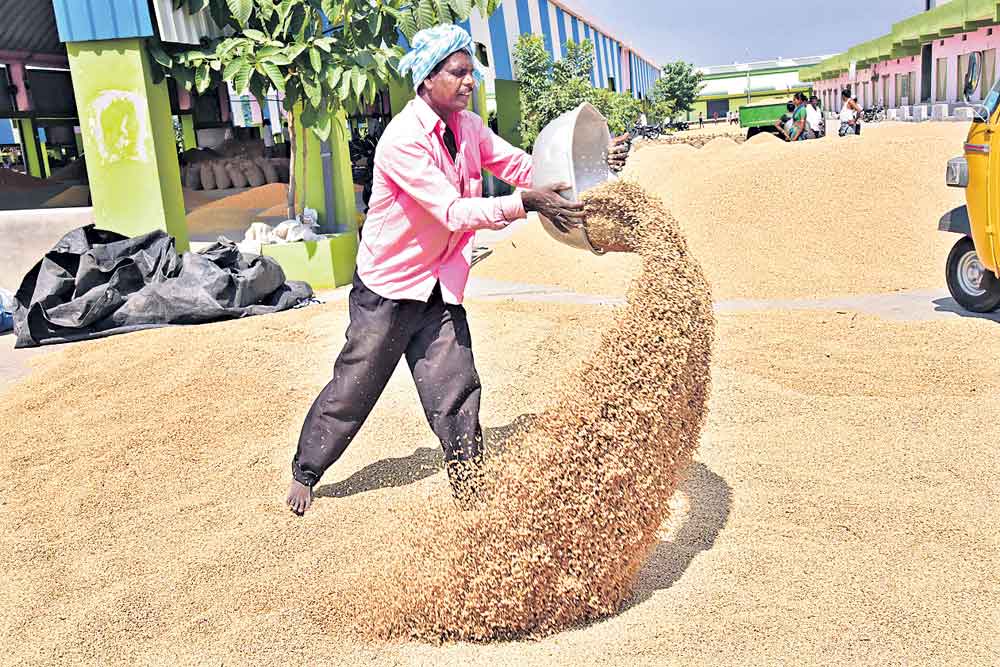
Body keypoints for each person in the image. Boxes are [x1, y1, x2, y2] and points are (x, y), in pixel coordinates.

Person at [285, 24, 631, 515]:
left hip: (437, 286)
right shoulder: (404, 139)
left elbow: (516, 166)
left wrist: (588, 163)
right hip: (389, 287)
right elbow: (450, 211)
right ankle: (307, 469)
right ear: (428, 79)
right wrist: (525, 205)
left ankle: (470, 483)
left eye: (472, 73)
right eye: (460, 72)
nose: (470, 82)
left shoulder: (467, 127)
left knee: (456, 383)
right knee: (355, 384)